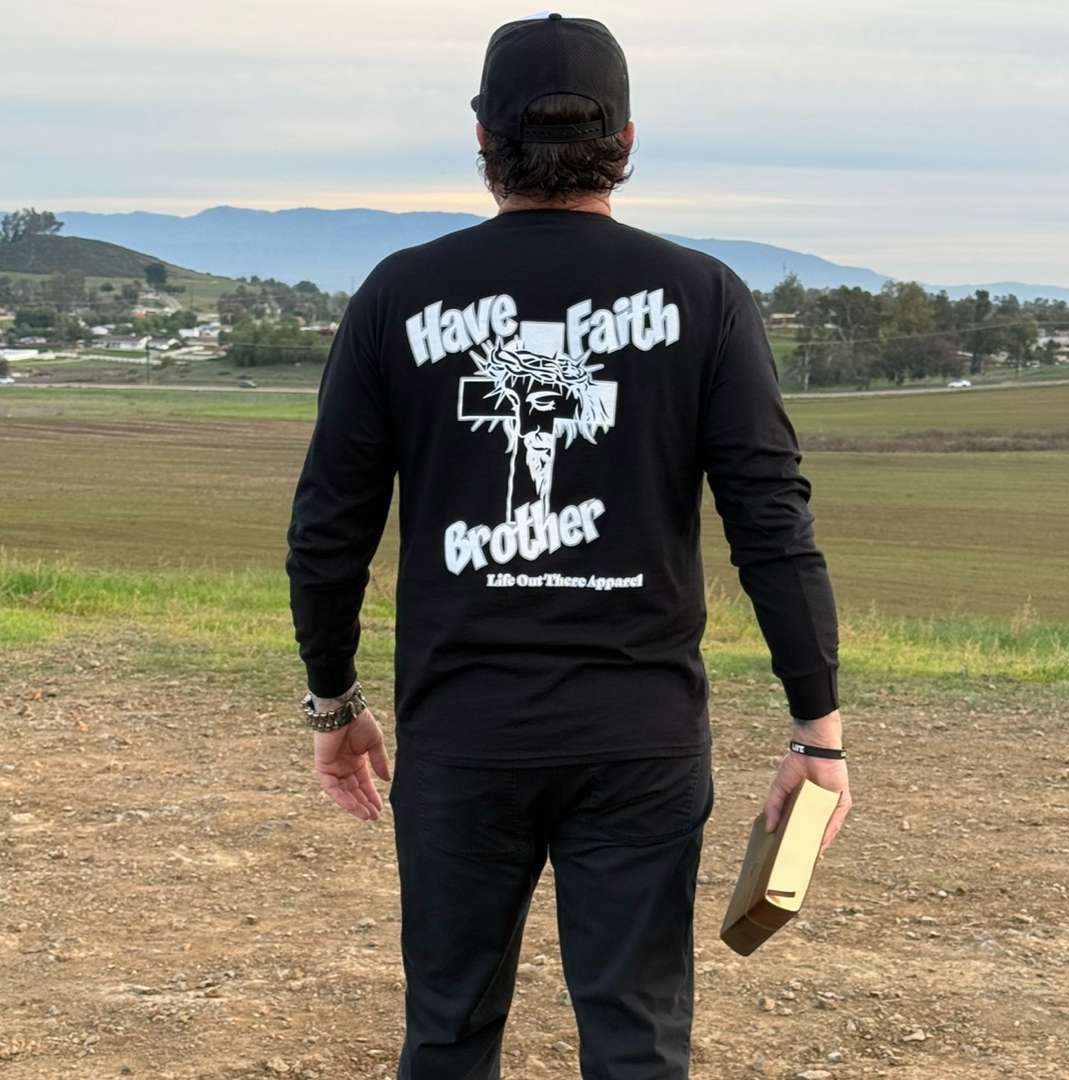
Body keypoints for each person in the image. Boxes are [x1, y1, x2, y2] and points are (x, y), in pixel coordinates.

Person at [286, 13, 851, 1080]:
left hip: (461, 734)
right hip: (637, 737)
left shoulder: (399, 295)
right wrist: (816, 731)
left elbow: (327, 532)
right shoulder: (706, 298)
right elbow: (772, 522)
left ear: (485, 142)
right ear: (626, 142)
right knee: (636, 1040)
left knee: (446, 1034)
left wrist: (334, 703)